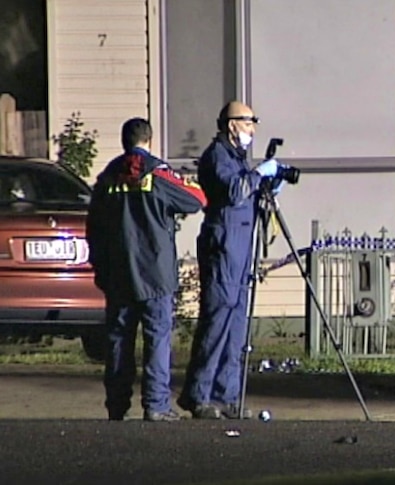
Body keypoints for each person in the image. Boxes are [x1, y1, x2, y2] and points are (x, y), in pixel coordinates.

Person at [86, 118, 207, 421]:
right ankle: (155, 405)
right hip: (155, 271)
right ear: (149, 140)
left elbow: (94, 227)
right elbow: (196, 200)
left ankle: (116, 405)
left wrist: (100, 267)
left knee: (118, 339)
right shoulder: (159, 172)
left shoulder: (108, 177)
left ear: (124, 140)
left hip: (119, 272)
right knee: (157, 337)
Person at [178, 101, 287, 419]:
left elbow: (248, 193)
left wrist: (270, 185)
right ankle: (199, 395)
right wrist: (258, 175)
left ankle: (227, 395)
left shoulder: (238, 158)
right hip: (223, 247)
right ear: (231, 124)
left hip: (240, 250)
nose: (252, 128)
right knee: (217, 320)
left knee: (236, 326)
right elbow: (235, 191)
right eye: (248, 122)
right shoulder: (218, 156)